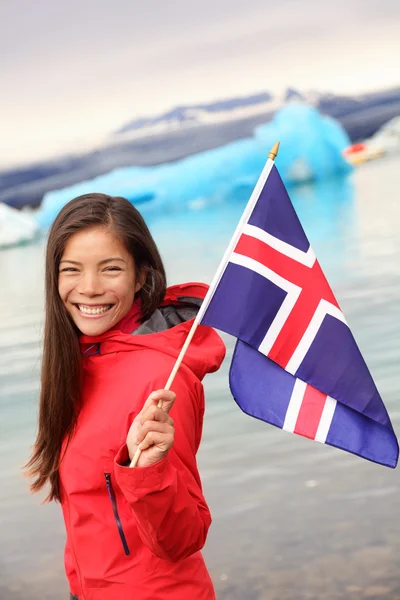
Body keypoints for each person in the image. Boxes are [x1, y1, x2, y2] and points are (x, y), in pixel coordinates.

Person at [26, 193, 226, 600]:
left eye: (111, 269)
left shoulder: (162, 378)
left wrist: (147, 472)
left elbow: (183, 538)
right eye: (72, 270)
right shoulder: (77, 361)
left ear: (140, 276)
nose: (90, 288)